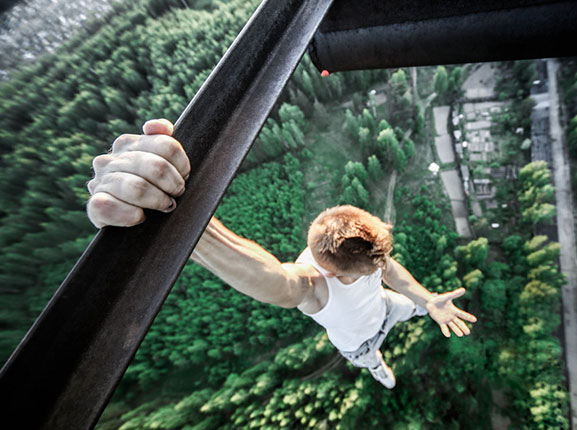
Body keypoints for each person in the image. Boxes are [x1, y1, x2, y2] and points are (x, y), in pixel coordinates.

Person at [86, 119, 478, 389]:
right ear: (333, 272)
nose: (380, 266)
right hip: (359, 343)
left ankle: (422, 311)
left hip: (386, 307)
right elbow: (277, 283)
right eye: (372, 268)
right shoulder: (314, 285)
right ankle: (377, 367)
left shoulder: (366, 258)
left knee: (410, 306)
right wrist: (186, 223)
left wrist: (428, 300)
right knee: (371, 357)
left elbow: (389, 271)